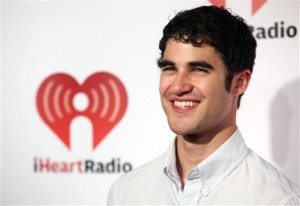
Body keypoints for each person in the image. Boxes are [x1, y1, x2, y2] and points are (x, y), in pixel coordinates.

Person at [107, 5, 300, 205]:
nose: (178, 86)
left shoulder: (280, 200)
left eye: (198, 69)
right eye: (170, 68)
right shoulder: (125, 192)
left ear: (239, 82)